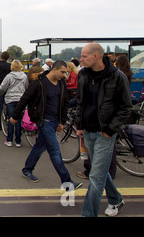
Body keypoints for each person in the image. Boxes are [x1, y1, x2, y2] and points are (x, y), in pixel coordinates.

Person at [75, 43, 132, 217]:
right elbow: (80, 102)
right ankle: (115, 199)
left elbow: (125, 107)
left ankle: (88, 214)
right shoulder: (83, 74)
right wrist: (79, 125)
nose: (81, 59)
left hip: (105, 133)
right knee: (99, 172)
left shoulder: (117, 77)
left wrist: (110, 129)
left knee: (95, 177)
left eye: (84, 56)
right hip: (88, 132)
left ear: (96, 56)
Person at [10, 60, 82, 191]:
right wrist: (15, 116)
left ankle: (27, 169)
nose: (64, 75)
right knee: (55, 152)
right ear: (54, 69)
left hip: (55, 121)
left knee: (39, 146)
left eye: (66, 73)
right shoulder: (39, 84)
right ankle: (67, 183)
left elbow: (64, 103)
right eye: (62, 72)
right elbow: (24, 99)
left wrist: (62, 121)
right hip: (45, 121)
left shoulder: (61, 84)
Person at [0, 60, 29, 147]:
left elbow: (2, 87)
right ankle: (18, 141)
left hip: (10, 99)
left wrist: (1, 93)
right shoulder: (24, 76)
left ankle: (9, 140)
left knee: (11, 119)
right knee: (18, 119)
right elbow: (27, 87)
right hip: (20, 100)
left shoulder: (9, 76)